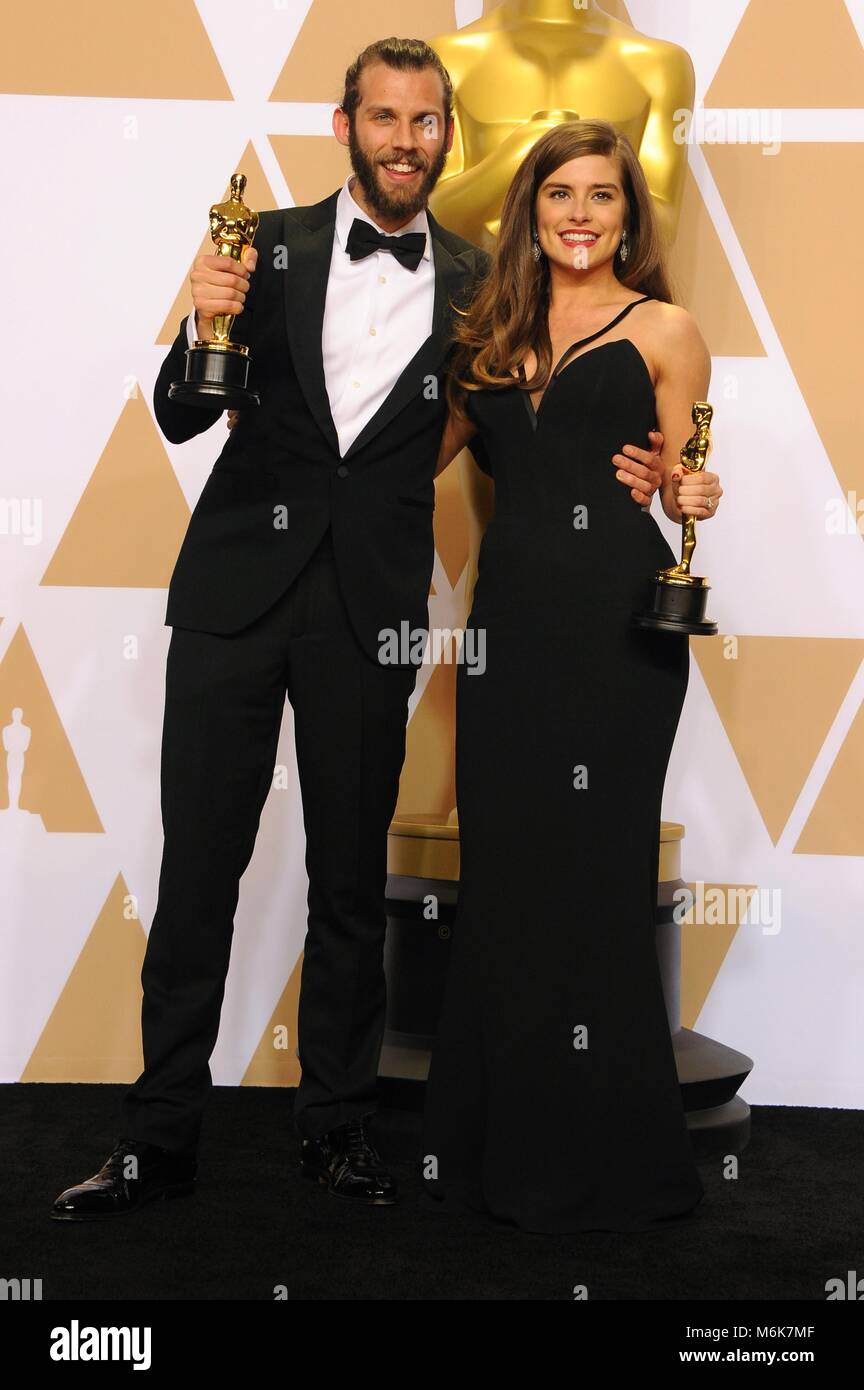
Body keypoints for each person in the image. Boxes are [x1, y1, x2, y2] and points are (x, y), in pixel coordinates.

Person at [50, 37, 495, 1220]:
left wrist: (654, 480)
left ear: (448, 133)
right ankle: (158, 1141)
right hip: (235, 598)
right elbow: (186, 417)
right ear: (344, 125)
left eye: (427, 120)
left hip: (370, 609)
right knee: (199, 870)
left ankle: (338, 1131)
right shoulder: (269, 244)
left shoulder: (481, 277)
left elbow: (510, 426)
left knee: (351, 882)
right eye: (386, 117)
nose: (408, 139)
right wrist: (203, 325)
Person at [420, 118, 723, 1235]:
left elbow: (687, 468)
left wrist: (690, 493)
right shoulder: (487, 334)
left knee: (595, 882)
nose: (582, 214)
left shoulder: (667, 328)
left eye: (603, 196)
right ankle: (493, 1149)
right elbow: (416, 461)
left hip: (619, 632)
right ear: (530, 212)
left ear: (629, 217)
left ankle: (614, 1163)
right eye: (562, 195)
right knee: (508, 880)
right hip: (509, 638)